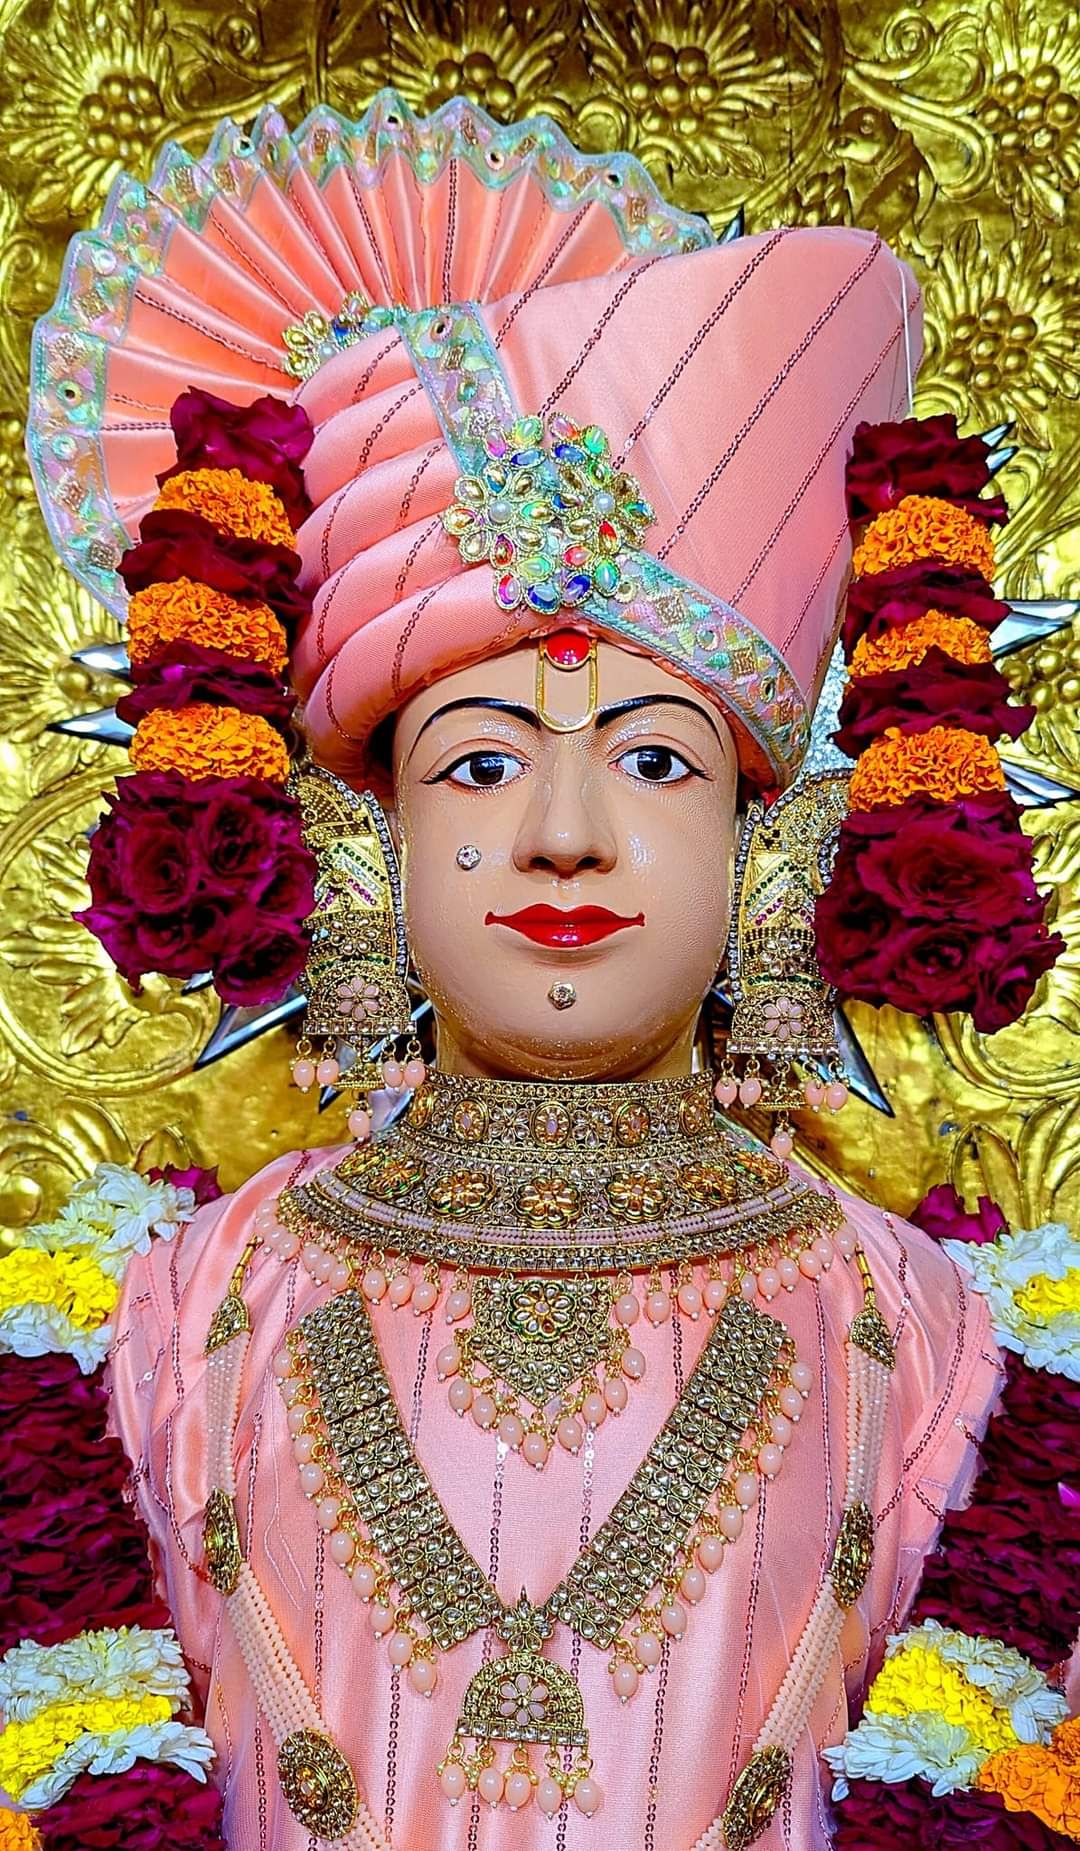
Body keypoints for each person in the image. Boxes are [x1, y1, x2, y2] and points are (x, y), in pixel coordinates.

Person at [17, 91, 1066, 1850]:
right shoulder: (163, 1324)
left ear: (765, 838)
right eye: (483, 764)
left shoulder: (938, 1340)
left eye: (655, 762)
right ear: (376, 841)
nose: (565, 833)